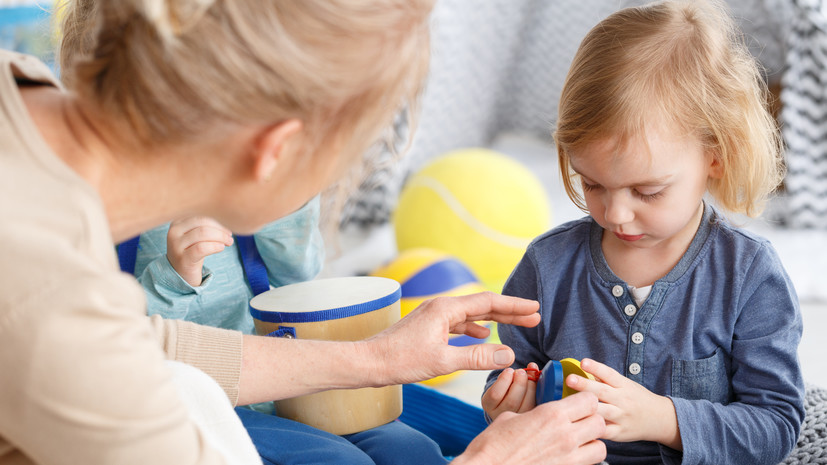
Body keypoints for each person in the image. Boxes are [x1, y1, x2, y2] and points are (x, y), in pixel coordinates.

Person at [0, 1, 609, 464]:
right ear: (276, 149)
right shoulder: (46, 294)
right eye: (348, 151)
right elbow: (77, 346)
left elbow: (139, 347)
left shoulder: (19, 92)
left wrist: (374, 358)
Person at [482, 1, 805, 464]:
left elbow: (774, 427)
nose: (615, 214)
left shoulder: (749, 274)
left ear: (715, 152)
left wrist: (662, 418)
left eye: (647, 191)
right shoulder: (546, 266)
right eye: (591, 184)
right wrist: (509, 404)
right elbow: (510, 375)